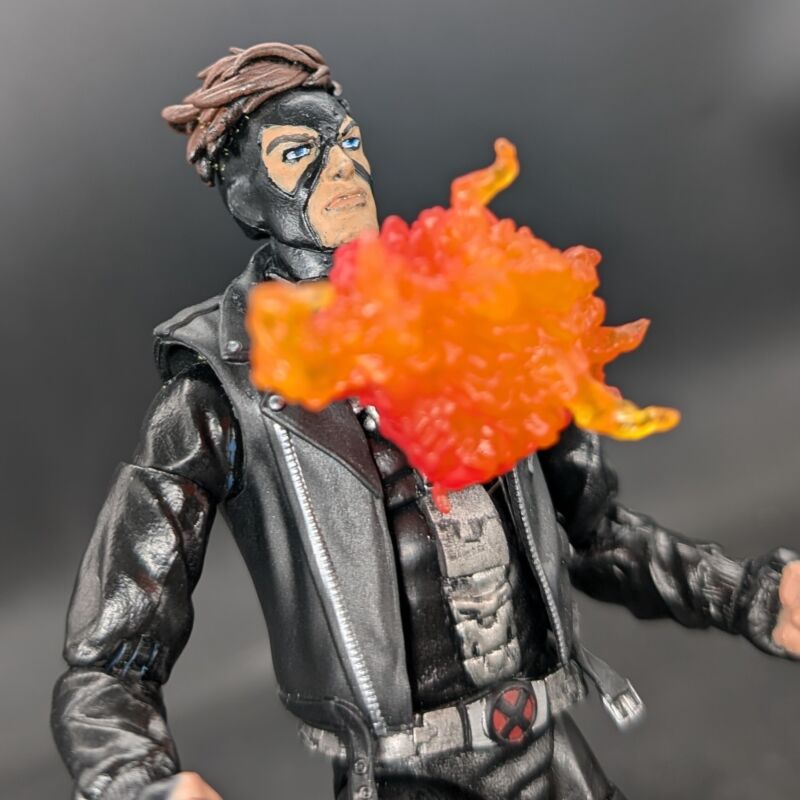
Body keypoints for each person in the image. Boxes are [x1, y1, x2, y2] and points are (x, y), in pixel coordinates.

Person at [51, 42, 800, 800]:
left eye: (348, 142)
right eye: (297, 154)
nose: (340, 168)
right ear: (244, 197)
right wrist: (134, 780)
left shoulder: (474, 309)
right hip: (405, 777)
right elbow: (111, 653)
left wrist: (753, 596)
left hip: (548, 749)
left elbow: (596, 536)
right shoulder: (218, 391)